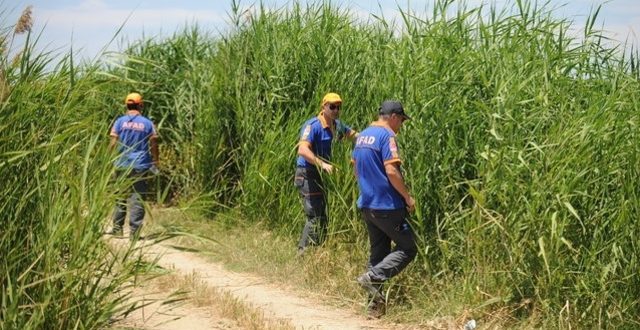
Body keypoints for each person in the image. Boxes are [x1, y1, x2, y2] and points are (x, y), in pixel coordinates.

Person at [351, 100, 417, 318]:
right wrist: (407, 197)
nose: (401, 126)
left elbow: (356, 169)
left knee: (378, 252)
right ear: (394, 116)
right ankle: (372, 277)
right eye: (401, 121)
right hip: (387, 205)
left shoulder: (362, 137)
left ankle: (374, 309)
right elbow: (391, 170)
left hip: (367, 205)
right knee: (409, 247)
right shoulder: (386, 136)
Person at [294, 92, 358, 256]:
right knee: (315, 214)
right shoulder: (313, 125)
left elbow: (356, 137)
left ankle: (316, 251)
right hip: (308, 172)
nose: (336, 110)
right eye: (332, 106)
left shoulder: (337, 125)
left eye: (338, 107)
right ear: (324, 107)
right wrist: (323, 165)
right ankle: (304, 253)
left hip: (321, 174)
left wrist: (376, 135)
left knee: (322, 213)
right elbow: (302, 149)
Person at [106, 92, 159, 240]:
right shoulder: (148, 123)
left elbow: (112, 142)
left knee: (120, 197)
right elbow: (154, 143)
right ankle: (134, 234)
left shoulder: (119, 122)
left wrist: (106, 160)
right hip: (141, 165)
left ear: (126, 105)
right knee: (138, 198)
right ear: (140, 105)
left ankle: (117, 230)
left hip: (121, 164)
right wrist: (156, 161)